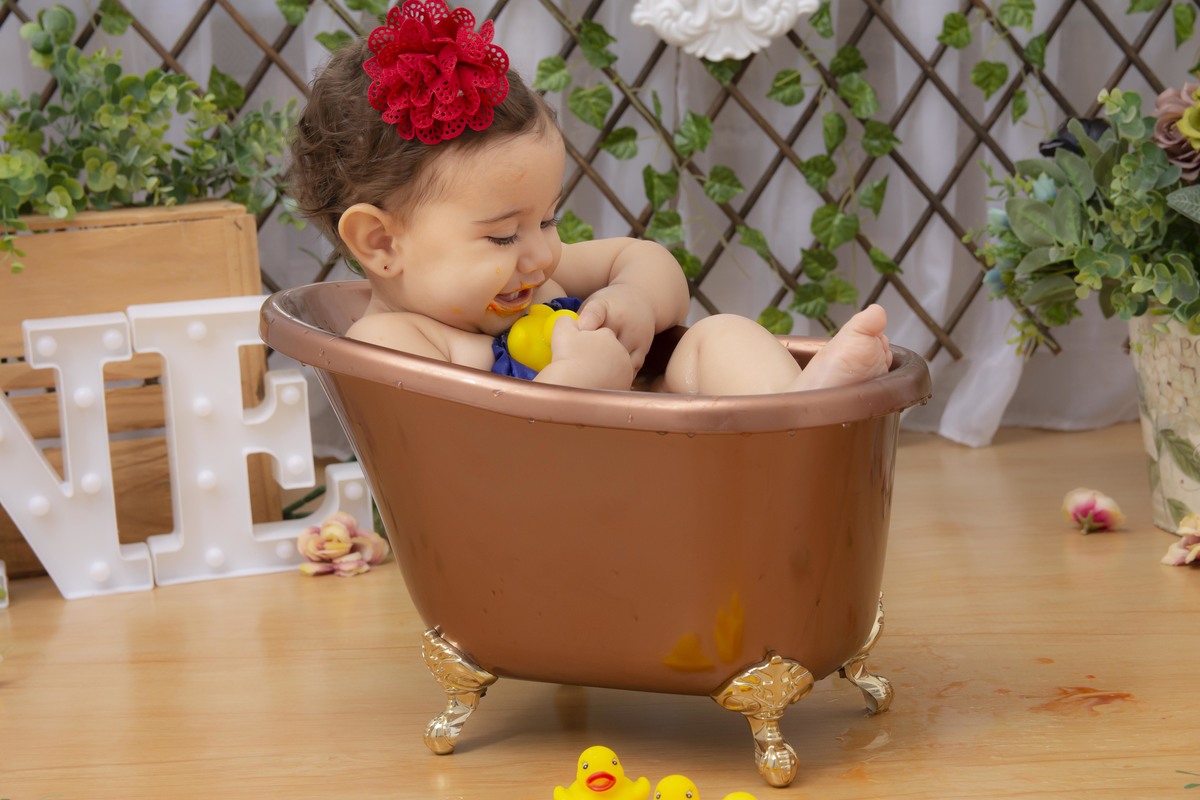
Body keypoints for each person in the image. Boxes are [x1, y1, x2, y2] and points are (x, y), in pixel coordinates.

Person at [288, 0, 892, 394]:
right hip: (574, 511)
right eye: (502, 235)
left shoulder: (529, 283)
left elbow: (643, 257)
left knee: (721, 336)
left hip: (677, 462)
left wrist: (634, 297)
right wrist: (580, 383)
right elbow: (477, 469)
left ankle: (802, 412)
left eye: (548, 220)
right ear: (381, 242)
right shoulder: (392, 347)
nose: (540, 255)